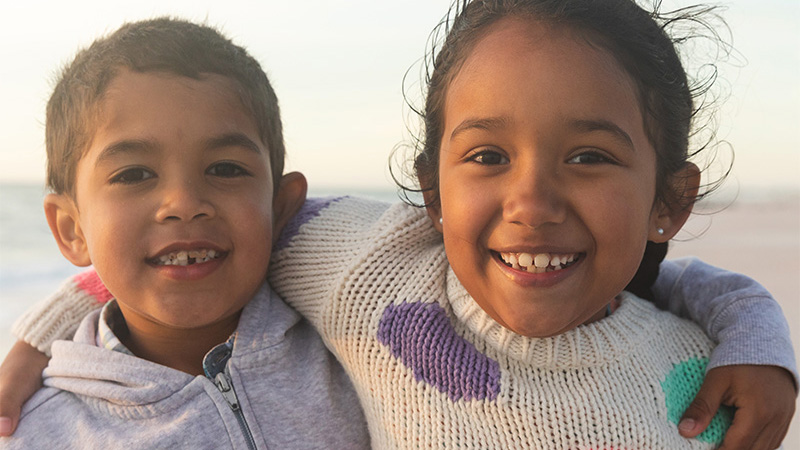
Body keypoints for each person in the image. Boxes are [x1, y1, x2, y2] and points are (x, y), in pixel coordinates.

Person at [0, 0, 795, 448]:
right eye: (486, 155)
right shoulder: (371, 269)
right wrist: (42, 336)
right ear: (431, 189)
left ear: (671, 201)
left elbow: (686, 282)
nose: (532, 201)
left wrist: (760, 340)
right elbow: (181, 248)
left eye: (588, 157)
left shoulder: (702, 380)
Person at [0, 18, 369, 449]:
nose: (183, 202)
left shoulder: (358, 356)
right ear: (72, 230)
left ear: (281, 206)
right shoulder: (39, 433)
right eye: (134, 174)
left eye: (226, 169)